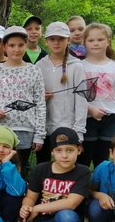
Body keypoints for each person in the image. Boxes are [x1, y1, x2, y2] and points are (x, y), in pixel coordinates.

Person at [20, 127, 90, 222]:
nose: (64, 155)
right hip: (43, 218)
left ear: (79, 150)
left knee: (66, 218)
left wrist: (37, 208)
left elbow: (71, 203)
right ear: (52, 152)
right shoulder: (41, 169)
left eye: (70, 150)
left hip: (67, 216)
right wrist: (26, 207)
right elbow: (30, 197)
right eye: (59, 150)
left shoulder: (83, 172)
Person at [0, 26, 46, 178]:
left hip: (25, 129)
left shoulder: (34, 70)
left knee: (20, 168)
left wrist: (39, 135)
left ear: (26, 45)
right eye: (12, 45)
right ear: (4, 47)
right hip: (1, 129)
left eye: (20, 45)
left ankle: (18, 198)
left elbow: (40, 103)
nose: (16, 49)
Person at [79, 23, 115, 169]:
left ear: (108, 41)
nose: (96, 43)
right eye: (91, 40)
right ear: (84, 42)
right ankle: (83, 189)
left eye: (100, 39)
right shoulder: (78, 67)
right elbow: (75, 96)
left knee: (103, 159)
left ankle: (100, 188)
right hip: (86, 119)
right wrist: (90, 109)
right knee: (83, 157)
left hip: (110, 119)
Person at [36, 22, 87, 163]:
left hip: (68, 128)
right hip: (44, 129)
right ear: (46, 41)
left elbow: (82, 101)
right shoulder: (39, 66)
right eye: (52, 39)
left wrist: (78, 133)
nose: (56, 43)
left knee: (66, 166)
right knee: (45, 167)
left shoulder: (77, 66)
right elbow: (33, 97)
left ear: (68, 40)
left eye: (61, 39)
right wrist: (41, 98)